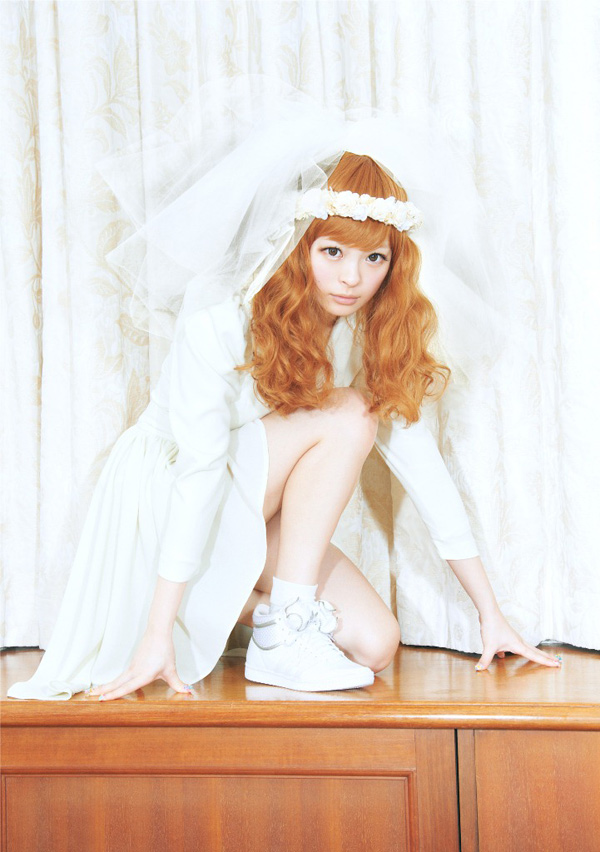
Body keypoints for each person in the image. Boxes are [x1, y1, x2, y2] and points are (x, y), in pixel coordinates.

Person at [8, 150, 560, 702]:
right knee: (351, 413)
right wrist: (156, 633)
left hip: (248, 504)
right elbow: (200, 474)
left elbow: (423, 470)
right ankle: (281, 634)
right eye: (332, 251)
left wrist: (490, 613)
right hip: (169, 496)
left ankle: (271, 620)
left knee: (376, 644)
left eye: (374, 258)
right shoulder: (221, 322)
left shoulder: (365, 334)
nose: (352, 277)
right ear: (298, 245)